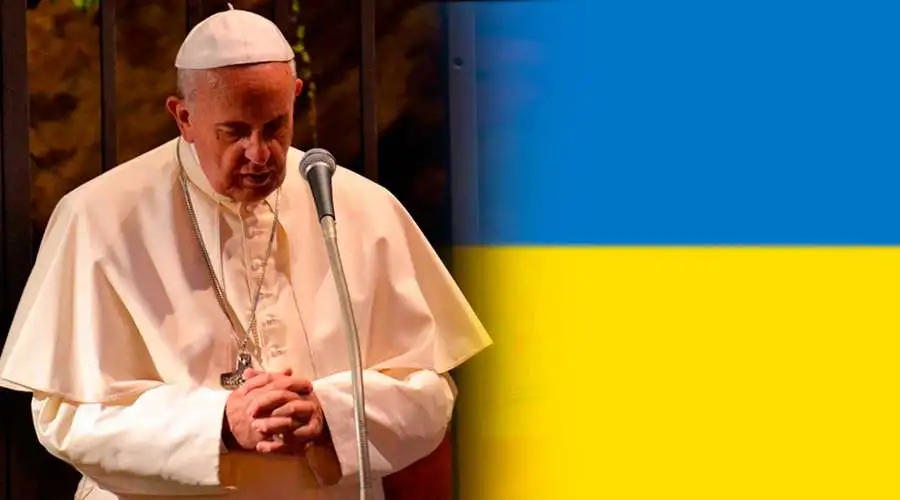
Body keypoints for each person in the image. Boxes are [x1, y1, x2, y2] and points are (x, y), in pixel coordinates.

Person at [0, 6, 491, 500]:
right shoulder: (97, 218)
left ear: (295, 96)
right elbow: (65, 418)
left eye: (275, 127)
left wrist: (330, 414)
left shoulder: (359, 207)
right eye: (234, 132)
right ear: (184, 117)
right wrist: (217, 422)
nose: (259, 154)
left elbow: (429, 396)